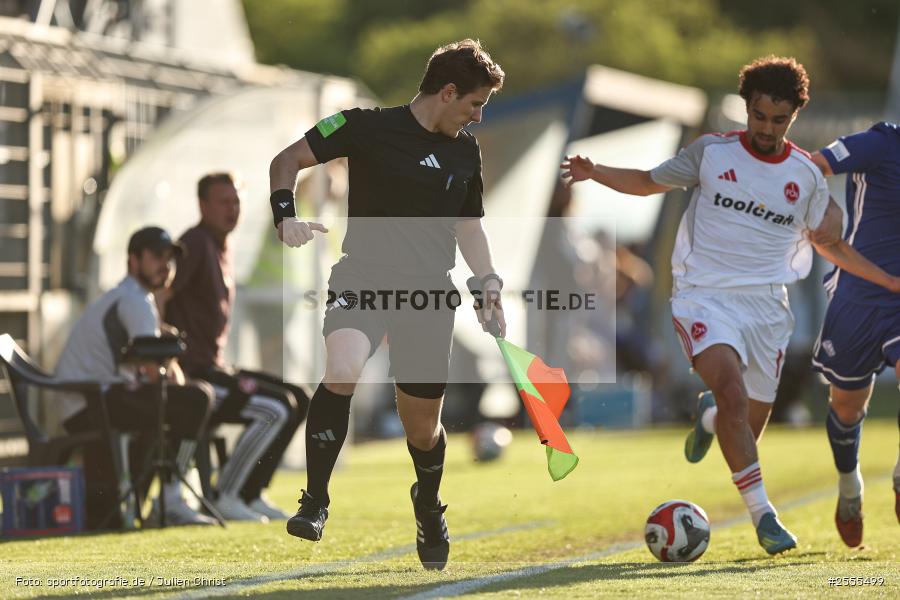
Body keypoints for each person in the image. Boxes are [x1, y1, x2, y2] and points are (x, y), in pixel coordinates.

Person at [561, 56, 900, 555]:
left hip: (766, 309)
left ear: (794, 117)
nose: (767, 128)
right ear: (747, 108)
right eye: (759, 116)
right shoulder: (711, 154)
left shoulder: (804, 175)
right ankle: (765, 517)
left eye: (779, 119)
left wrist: (887, 280)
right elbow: (649, 180)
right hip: (704, 296)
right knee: (734, 397)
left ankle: (707, 418)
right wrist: (597, 172)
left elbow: (830, 246)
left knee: (741, 420)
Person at [268, 38, 505, 570]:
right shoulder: (362, 126)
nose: (477, 116)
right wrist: (285, 215)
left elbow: (468, 225)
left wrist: (487, 280)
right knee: (343, 368)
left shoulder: (466, 152)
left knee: (421, 428)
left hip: (428, 293)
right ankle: (315, 501)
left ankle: (427, 505)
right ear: (448, 92)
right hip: (363, 278)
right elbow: (288, 160)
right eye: (474, 104)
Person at [163, 173, 310, 522]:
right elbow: (161, 293)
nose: (232, 210)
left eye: (236, 202)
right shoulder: (195, 243)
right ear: (203, 206)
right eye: (223, 202)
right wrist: (166, 355)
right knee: (276, 408)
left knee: (299, 398)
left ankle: (250, 492)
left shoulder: (221, 245)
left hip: (216, 367)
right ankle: (225, 494)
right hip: (194, 373)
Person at [56, 226, 216, 528]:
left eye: (170, 258)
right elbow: (160, 378)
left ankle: (150, 502)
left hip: (88, 400)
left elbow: (152, 373)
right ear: (133, 260)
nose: (166, 265)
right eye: (157, 256)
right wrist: (169, 352)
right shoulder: (136, 301)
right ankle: (171, 497)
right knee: (198, 398)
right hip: (90, 402)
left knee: (170, 405)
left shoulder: (129, 296)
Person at [806, 122, 900, 547]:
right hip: (857, 297)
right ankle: (849, 487)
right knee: (846, 407)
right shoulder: (880, 143)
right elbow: (809, 168)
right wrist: (828, 209)